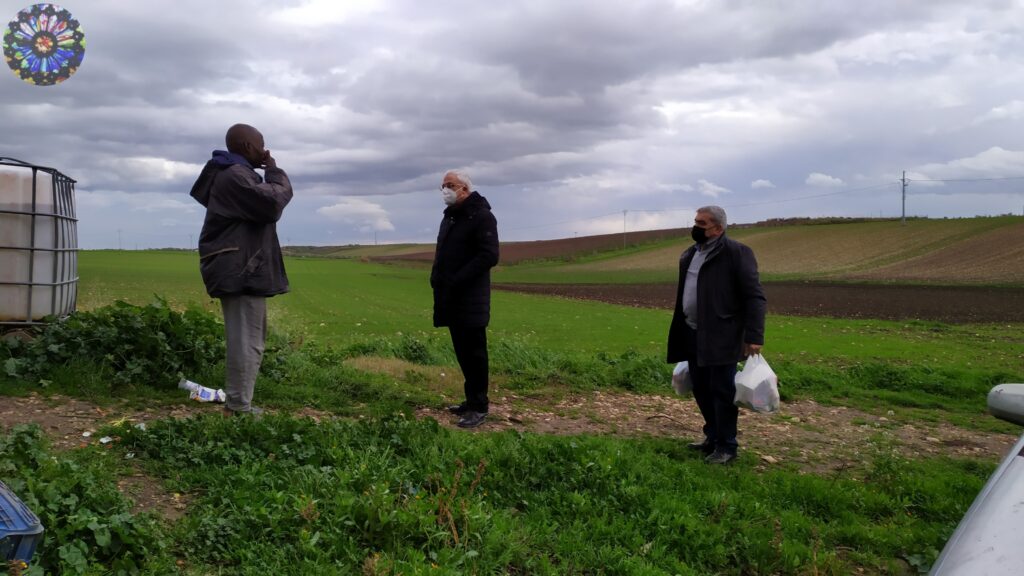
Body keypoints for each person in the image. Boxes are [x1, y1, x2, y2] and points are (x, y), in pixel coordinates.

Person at [189, 123, 293, 416]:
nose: (264, 150)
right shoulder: (235, 175)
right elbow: (272, 202)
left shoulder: (232, 173)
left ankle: (239, 403)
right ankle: (238, 408)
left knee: (249, 338)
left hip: (239, 265)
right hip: (242, 268)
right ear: (248, 147)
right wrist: (274, 171)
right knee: (247, 341)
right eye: (261, 144)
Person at [666, 206, 766, 464]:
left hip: (723, 335)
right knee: (701, 388)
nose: (695, 226)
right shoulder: (690, 254)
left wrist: (754, 335)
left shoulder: (737, 253)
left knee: (722, 391)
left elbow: (754, 296)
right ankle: (712, 437)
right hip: (692, 333)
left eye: (702, 223)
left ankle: (727, 447)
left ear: (718, 228)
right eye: (695, 221)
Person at [431, 170, 499, 428]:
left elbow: (489, 255)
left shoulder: (482, 216)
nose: (445, 190)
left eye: (451, 185)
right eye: (443, 186)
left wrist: (458, 279)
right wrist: (437, 277)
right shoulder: (451, 216)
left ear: (465, 189)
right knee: (462, 351)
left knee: (475, 353)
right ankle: (470, 401)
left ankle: (479, 407)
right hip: (451, 296)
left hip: (471, 297)